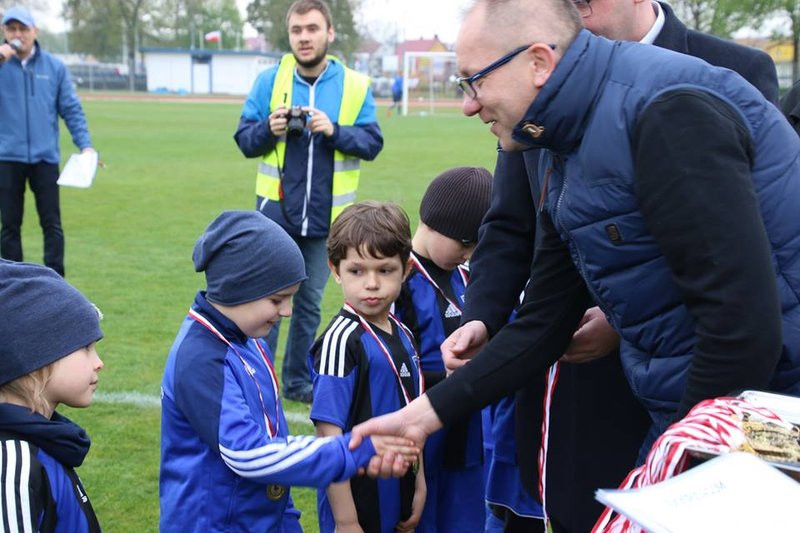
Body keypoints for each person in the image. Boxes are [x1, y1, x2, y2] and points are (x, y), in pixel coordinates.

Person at [352, 0, 800, 511]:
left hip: (768, 419)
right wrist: (421, 417)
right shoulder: (559, 136)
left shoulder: (665, 112)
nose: (469, 106)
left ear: (539, 62)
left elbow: (741, 330)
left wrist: (676, 468)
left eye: (475, 81)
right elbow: (546, 316)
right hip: (705, 415)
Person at [159, 210, 418, 532]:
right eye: (277, 299)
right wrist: (354, 451)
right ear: (240, 289)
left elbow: (274, 439)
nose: (287, 311)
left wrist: (286, 520)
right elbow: (248, 454)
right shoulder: (201, 359)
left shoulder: (250, 341)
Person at [234, 0, 384, 403]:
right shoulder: (270, 80)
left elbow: (373, 143)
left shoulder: (354, 85)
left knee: (309, 305)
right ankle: (259, 376)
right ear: (290, 36)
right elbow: (244, 141)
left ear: (329, 34)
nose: (304, 37)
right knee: (266, 303)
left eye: (312, 29)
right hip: (274, 215)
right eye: (297, 30)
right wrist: (269, 128)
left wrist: (333, 131)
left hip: (328, 218)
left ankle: (297, 381)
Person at [309, 201, 425, 532]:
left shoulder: (403, 333)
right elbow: (328, 437)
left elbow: (416, 415)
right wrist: (346, 520)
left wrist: (420, 483)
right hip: (358, 505)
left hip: (398, 494)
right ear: (335, 270)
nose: (371, 284)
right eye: (357, 271)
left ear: (406, 269)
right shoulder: (341, 341)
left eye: (385, 270)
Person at [393, 167, 492, 533]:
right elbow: (389, 361)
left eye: (475, 247)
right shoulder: (399, 282)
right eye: (464, 243)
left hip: (465, 440)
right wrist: (443, 380)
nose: (468, 254)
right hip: (421, 440)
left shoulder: (468, 279)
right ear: (433, 222)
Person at [0, 259, 104, 531]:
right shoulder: (12, 468)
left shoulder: (45, 436)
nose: (98, 362)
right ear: (37, 357)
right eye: (85, 347)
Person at [0, 6, 95, 277]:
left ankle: (55, 286)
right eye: (11, 29)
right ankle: (10, 286)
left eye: (22, 29)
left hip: (45, 158)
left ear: (34, 31)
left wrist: (85, 145)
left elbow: (71, 109)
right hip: (7, 156)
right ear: (5, 32)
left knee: (52, 225)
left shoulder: (54, 67)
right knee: (9, 226)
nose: (17, 35)